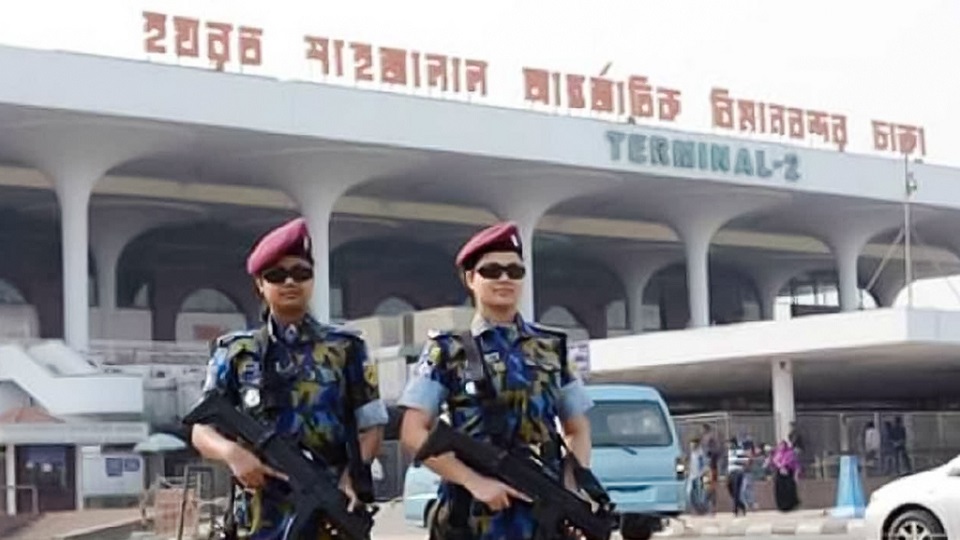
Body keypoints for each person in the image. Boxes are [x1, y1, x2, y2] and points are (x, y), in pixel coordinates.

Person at [189, 217, 389, 539]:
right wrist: (232, 454)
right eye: (276, 275)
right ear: (260, 284)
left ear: (313, 280)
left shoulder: (346, 348)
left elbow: (372, 425)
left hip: (327, 514)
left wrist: (351, 476)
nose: (290, 282)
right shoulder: (237, 352)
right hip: (258, 518)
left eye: (301, 273)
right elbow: (201, 429)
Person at [398, 221, 596, 540]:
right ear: (470, 279)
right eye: (492, 271)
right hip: (473, 518)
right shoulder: (448, 348)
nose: (505, 279)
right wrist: (472, 481)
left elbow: (577, 428)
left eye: (514, 271)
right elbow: (412, 432)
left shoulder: (551, 347)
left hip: (539, 513)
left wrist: (570, 487)